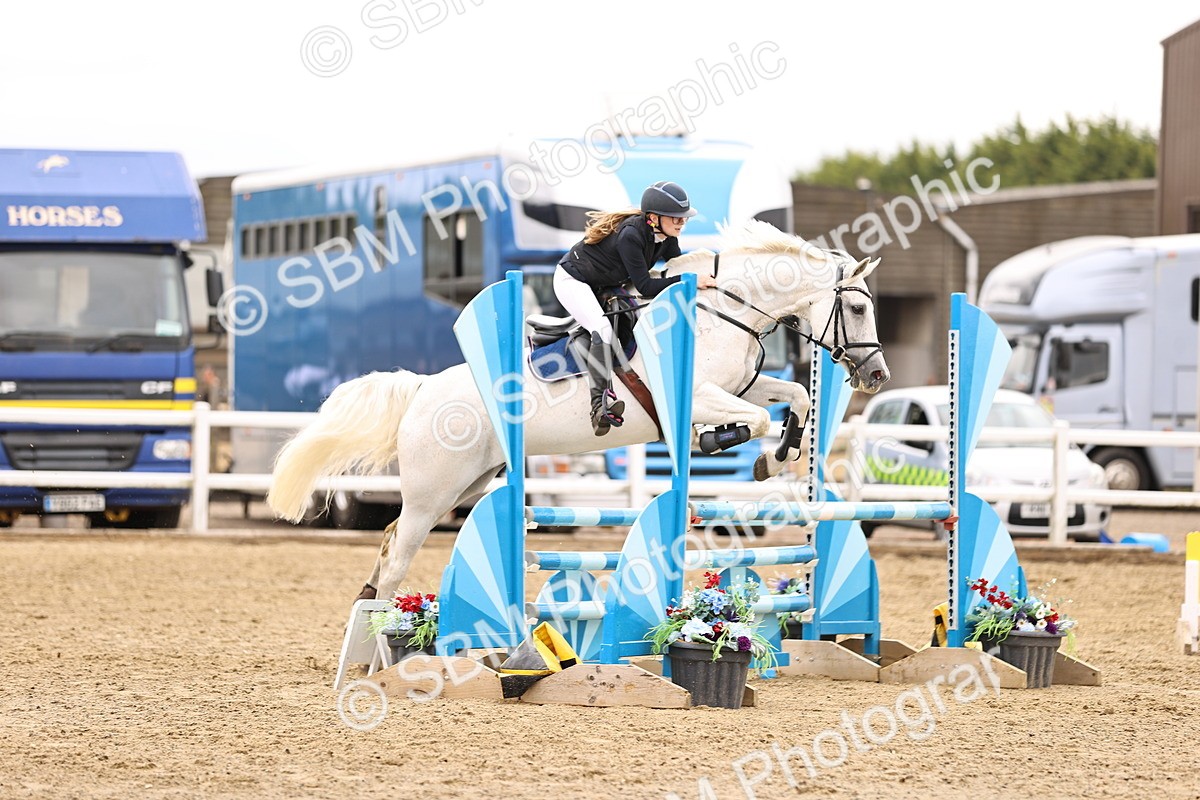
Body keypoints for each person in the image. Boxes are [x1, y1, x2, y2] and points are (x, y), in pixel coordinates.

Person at [554, 181, 718, 436]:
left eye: (683, 218)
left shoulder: (667, 237)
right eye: (675, 218)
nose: (681, 223)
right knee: (602, 329)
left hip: (605, 283)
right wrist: (691, 280)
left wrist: (708, 271)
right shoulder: (631, 235)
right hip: (573, 281)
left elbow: (676, 265)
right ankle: (599, 406)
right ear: (653, 218)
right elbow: (645, 286)